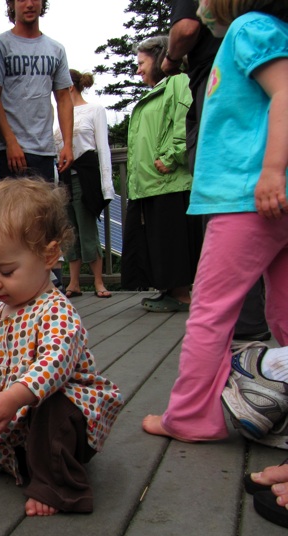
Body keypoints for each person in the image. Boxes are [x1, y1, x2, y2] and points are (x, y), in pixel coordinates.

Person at [142, 0, 288, 442]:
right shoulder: (271, 30)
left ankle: (188, 416)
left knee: (211, 311)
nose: (200, 5)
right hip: (272, 195)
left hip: (246, 196)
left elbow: (285, 92)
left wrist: (270, 170)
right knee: (282, 311)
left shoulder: (249, 28)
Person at [0, 178, 124, 517]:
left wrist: (18, 394)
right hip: (23, 419)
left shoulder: (54, 309)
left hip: (68, 417)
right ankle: (27, 459)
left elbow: (56, 361)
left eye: (6, 271)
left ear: (49, 256)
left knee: (53, 407)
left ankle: (60, 489)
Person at [163, 0, 270, 341]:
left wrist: (171, 57)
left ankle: (242, 328)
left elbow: (186, 28)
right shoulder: (266, 31)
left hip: (219, 81)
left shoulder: (244, 30)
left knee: (225, 205)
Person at [121, 35, 203, 313]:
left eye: (142, 63)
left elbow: (185, 120)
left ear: (159, 58)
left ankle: (180, 294)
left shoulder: (179, 82)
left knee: (170, 238)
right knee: (160, 240)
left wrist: (171, 156)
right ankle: (170, 291)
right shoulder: (158, 89)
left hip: (168, 180)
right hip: (152, 183)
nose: (138, 70)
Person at [0, 0, 73, 183]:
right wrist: (10, 141)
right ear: (12, 4)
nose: (29, 4)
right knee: (12, 210)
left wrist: (67, 144)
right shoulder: (1, 45)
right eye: (22, 0)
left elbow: (63, 99)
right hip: (11, 152)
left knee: (43, 211)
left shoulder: (56, 49)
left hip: (44, 150)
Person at [55, 69, 115, 300]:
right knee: (69, 230)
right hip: (64, 177)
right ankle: (75, 282)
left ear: (69, 86)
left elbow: (103, 147)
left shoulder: (94, 110)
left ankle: (98, 281)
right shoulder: (58, 114)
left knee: (87, 228)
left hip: (86, 175)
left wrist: (106, 185)